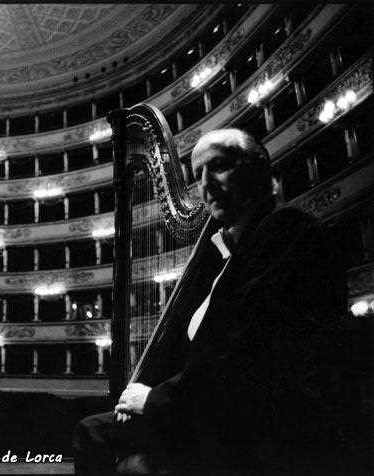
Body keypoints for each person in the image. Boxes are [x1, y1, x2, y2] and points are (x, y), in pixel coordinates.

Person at [73, 129, 349, 475]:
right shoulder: (227, 254)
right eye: (197, 174)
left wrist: (153, 399)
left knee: (95, 433)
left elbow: (245, 355)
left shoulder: (287, 231)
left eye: (218, 166)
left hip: (257, 427)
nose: (206, 184)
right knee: (95, 429)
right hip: (214, 411)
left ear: (258, 170)